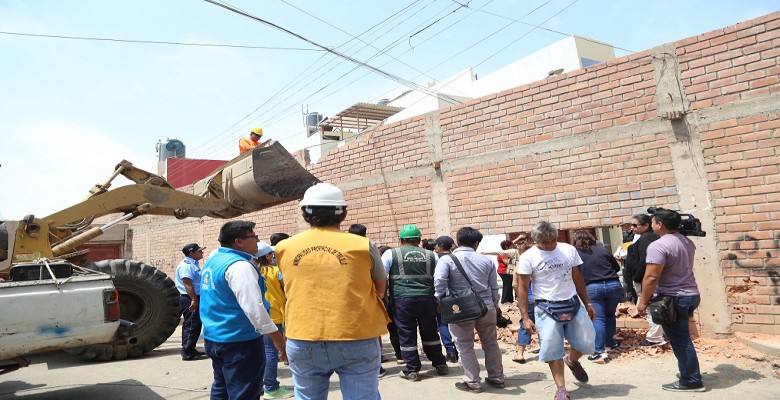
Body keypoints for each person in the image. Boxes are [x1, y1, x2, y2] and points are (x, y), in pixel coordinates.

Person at [276, 182, 390, 399]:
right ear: (343, 213)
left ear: (304, 214)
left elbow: (288, 285)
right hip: (357, 334)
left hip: (303, 336)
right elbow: (380, 286)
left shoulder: (283, 248)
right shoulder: (363, 245)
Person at [200, 221, 287, 400]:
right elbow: (255, 309)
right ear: (238, 241)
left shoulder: (214, 259)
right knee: (244, 392)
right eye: (253, 236)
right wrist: (278, 339)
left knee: (221, 387)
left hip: (215, 337)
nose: (257, 240)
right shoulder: (240, 267)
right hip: (239, 341)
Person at [517, 221, 596, 400]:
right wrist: (525, 317)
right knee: (553, 349)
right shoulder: (528, 257)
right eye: (545, 242)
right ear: (535, 240)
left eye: (553, 240)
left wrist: (588, 303)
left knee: (587, 342)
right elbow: (522, 287)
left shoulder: (568, 250)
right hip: (545, 307)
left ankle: (572, 360)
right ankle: (561, 389)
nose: (550, 245)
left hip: (572, 303)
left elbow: (577, 278)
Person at [637, 209, 705, 392]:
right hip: (690, 295)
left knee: (681, 341)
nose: (651, 225)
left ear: (660, 224)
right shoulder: (686, 242)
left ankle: (691, 380)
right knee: (682, 338)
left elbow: (651, 277)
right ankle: (688, 372)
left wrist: (642, 302)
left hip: (673, 298)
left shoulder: (658, 246)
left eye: (652, 222)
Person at [434, 227, 504, 393]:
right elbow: (494, 287)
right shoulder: (486, 261)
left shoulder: (447, 260)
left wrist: (439, 301)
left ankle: (472, 382)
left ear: (457, 242)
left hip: (459, 308)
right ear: (476, 243)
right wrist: (495, 305)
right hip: (486, 307)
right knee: (491, 343)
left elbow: (439, 283)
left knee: (464, 345)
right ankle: (497, 378)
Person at [382, 224, 448, 381]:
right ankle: (439, 363)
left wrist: (384, 298)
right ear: (419, 240)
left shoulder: (391, 254)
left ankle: (411, 369)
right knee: (430, 332)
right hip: (427, 299)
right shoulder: (432, 255)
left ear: (401, 240)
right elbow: (439, 279)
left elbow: (382, 277)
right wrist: (439, 299)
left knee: (406, 333)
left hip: (402, 300)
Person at [572, 230, 622, 363]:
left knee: (598, 318)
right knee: (610, 314)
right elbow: (616, 267)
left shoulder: (575, 254)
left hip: (593, 287)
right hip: (614, 284)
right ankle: (609, 344)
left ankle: (599, 351)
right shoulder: (602, 250)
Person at [256, 242, 293, 399]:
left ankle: (261, 386)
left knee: (261, 351)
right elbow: (287, 289)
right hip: (274, 315)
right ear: (267, 256)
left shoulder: (252, 270)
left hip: (257, 316)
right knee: (271, 351)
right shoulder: (276, 271)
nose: (273, 256)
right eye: (271, 254)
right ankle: (271, 387)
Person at [624, 214, 665, 348]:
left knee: (649, 307)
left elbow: (645, 262)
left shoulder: (646, 239)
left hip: (645, 280)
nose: (632, 228)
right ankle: (660, 334)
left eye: (635, 225)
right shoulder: (651, 238)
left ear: (646, 225)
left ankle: (655, 337)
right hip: (651, 278)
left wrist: (637, 277)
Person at [175, 243, 208, 361]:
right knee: (191, 325)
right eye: (199, 251)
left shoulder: (194, 264)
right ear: (191, 253)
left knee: (195, 324)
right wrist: (194, 299)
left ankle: (190, 349)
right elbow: (188, 284)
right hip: (189, 298)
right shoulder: (187, 266)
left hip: (193, 297)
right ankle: (187, 352)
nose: (202, 253)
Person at [433, 235, 459, 363]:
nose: (435, 247)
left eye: (436, 244)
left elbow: (439, 281)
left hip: (443, 296)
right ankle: (458, 349)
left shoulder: (436, 259)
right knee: (457, 322)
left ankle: (450, 351)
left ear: (442, 246)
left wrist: (438, 299)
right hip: (458, 296)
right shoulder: (456, 257)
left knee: (443, 323)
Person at [378, 244, 404, 365]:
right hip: (399, 300)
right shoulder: (397, 267)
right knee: (403, 328)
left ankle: (399, 356)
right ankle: (405, 354)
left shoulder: (382, 268)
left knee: (393, 330)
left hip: (387, 301)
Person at [497, 240, 516, 304]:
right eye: (511, 246)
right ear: (506, 247)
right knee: (507, 286)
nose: (512, 247)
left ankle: (510, 300)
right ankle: (505, 301)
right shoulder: (503, 253)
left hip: (508, 271)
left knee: (510, 285)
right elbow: (507, 262)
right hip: (504, 272)